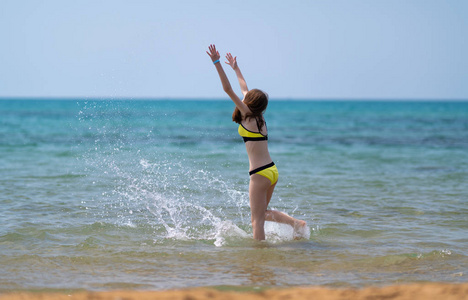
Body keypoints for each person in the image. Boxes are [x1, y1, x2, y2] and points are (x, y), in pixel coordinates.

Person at [206, 44, 307, 241]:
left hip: (259, 173)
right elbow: (244, 87)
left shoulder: (247, 114)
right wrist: (235, 68)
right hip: (272, 170)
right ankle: (296, 224)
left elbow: (228, 89)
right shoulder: (259, 117)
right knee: (262, 213)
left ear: (249, 102)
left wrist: (217, 63)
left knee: (256, 221)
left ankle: (258, 259)